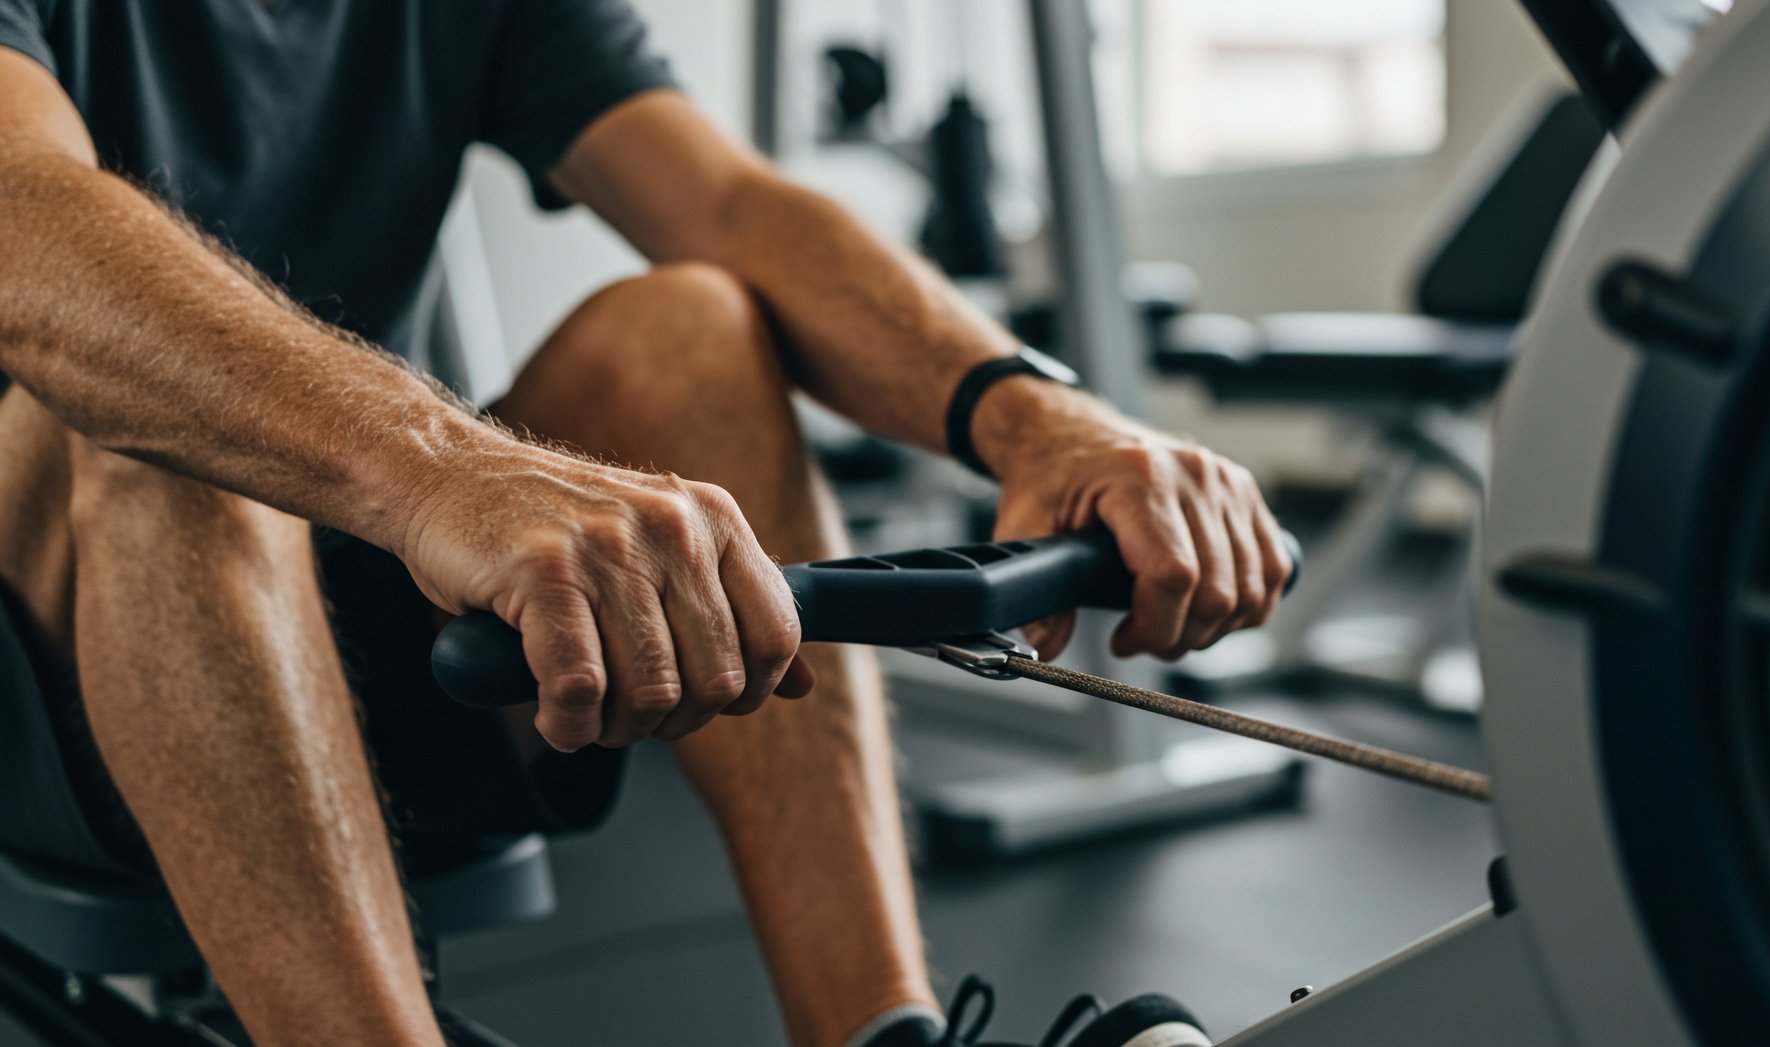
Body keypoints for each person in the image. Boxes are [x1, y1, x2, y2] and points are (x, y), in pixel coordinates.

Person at [0, 2, 1292, 1045]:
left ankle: (878, 1033)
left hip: (382, 619)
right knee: (164, 417)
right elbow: (24, 218)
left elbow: (729, 204)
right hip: (45, 665)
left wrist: (1035, 417)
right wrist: (448, 466)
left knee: (691, 330)